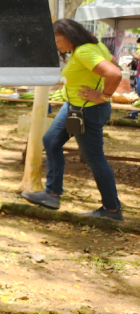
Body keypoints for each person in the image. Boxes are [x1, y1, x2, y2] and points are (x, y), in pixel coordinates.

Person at [22, 19, 124, 221]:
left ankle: (112, 210)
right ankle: (52, 195)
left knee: (94, 159)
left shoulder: (85, 51)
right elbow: (113, 61)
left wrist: (103, 95)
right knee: (51, 141)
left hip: (88, 111)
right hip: (74, 108)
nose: (56, 45)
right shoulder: (93, 46)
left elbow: (114, 72)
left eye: (57, 40)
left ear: (70, 35)